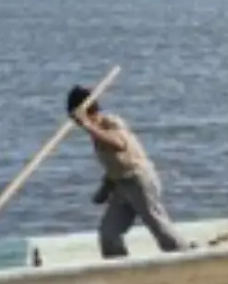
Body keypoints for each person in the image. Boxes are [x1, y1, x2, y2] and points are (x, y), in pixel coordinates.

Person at [68, 84, 188, 259]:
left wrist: (89, 126)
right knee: (109, 233)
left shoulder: (109, 122)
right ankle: (119, 266)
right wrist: (104, 189)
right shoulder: (95, 133)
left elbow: (119, 144)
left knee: (157, 224)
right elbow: (114, 165)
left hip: (139, 181)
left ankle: (182, 256)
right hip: (121, 186)